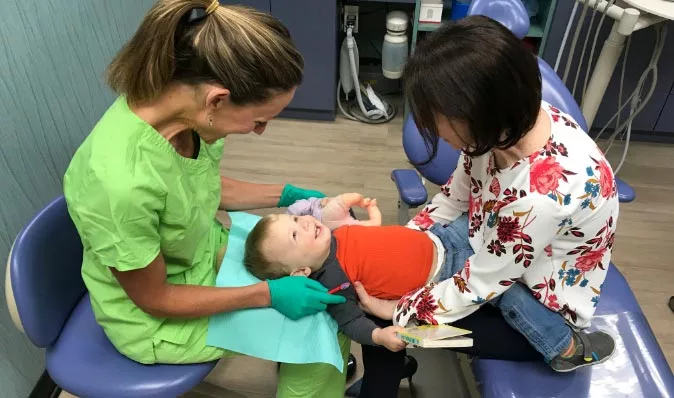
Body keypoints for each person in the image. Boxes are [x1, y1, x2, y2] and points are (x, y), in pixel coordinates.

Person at [62, 1, 350, 396]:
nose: (261, 131)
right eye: (259, 120)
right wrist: (267, 295)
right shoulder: (119, 184)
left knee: (325, 281)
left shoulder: (183, 114)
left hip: (198, 254)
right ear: (217, 100)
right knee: (322, 324)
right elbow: (155, 298)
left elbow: (195, 186)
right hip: (154, 319)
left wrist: (284, 195)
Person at [349, 15, 620, 397]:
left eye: (439, 120)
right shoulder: (503, 129)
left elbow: (480, 286)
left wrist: (399, 311)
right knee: (382, 290)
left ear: (476, 112)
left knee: (393, 325)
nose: (436, 132)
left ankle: (565, 349)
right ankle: (390, 369)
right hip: (492, 256)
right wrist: (401, 249)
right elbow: (453, 200)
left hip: (531, 306)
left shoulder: (543, 196)